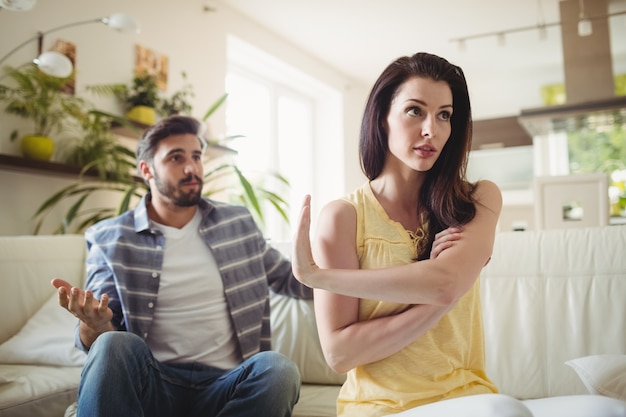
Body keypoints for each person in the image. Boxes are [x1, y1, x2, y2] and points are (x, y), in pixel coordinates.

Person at [290, 52, 626, 417]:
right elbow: (340, 353)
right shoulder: (343, 217)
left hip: (470, 396)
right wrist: (439, 291)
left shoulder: (478, 199)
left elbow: (444, 283)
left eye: (444, 115)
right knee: (503, 412)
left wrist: (319, 277)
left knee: (605, 409)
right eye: (415, 110)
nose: (431, 129)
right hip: (383, 407)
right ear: (381, 117)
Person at [52, 115, 313, 417]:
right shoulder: (110, 237)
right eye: (176, 158)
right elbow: (103, 339)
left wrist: (352, 273)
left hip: (226, 385)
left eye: (196, 157)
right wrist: (93, 323)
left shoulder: (237, 222)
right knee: (112, 343)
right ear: (146, 169)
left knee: (278, 369)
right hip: (152, 385)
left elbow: (290, 279)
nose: (192, 169)